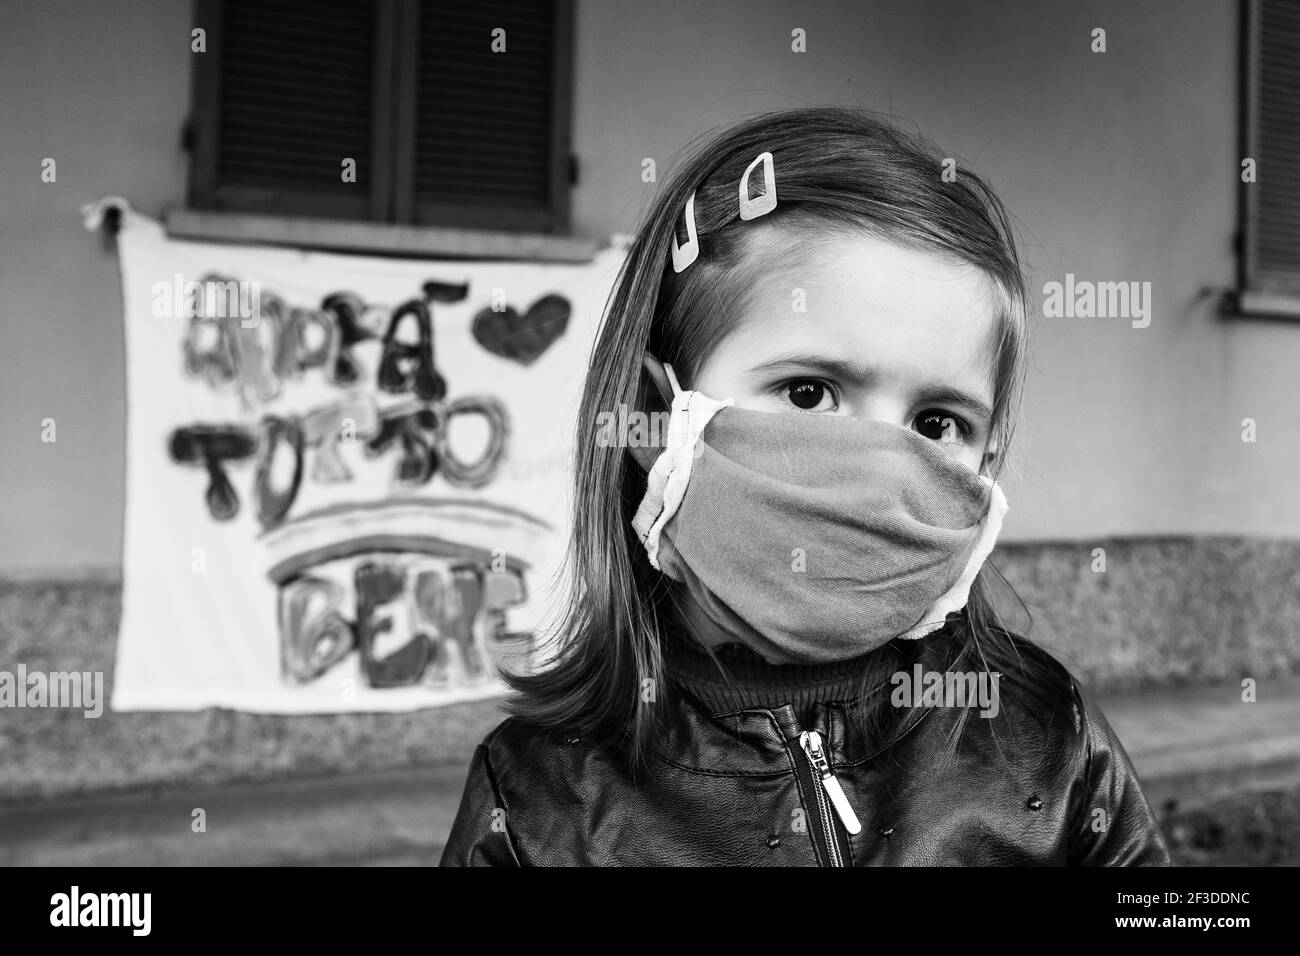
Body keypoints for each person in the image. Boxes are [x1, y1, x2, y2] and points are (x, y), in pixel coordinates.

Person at [440, 106, 1171, 866]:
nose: (883, 472)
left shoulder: (1047, 735)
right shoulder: (536, 800)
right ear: (659, 420)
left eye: (935, 422)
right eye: (810, 393)